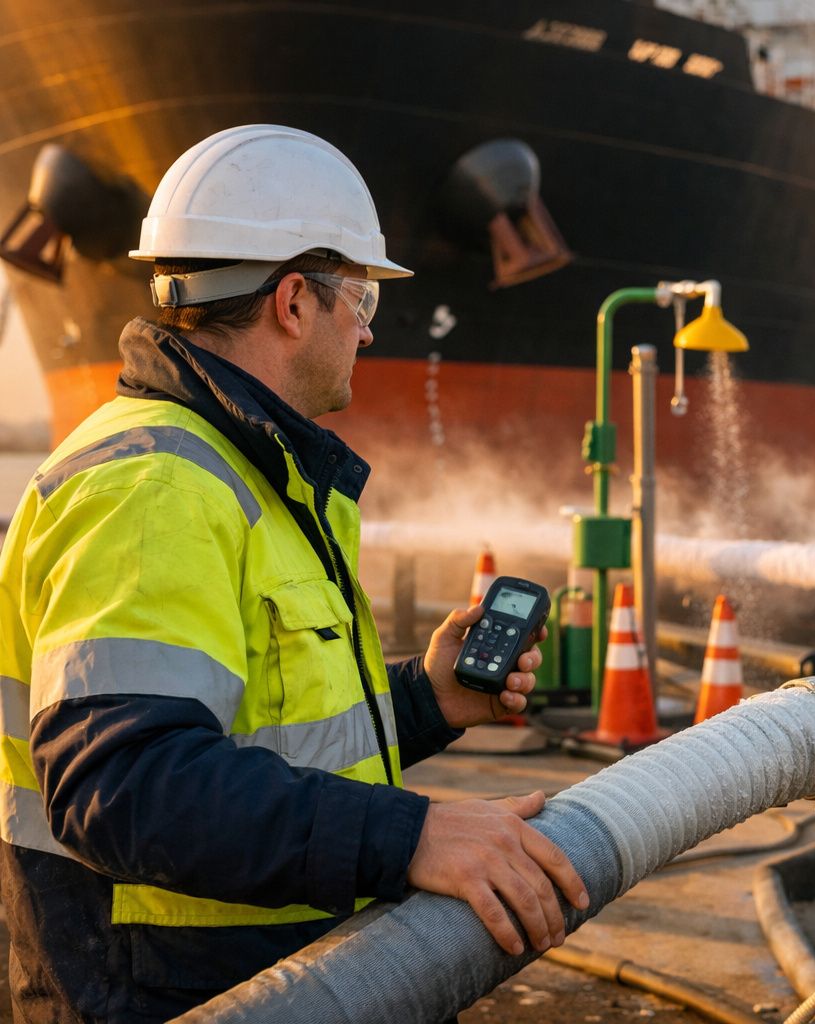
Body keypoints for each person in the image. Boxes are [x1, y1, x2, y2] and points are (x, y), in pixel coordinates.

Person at [0, 125, 588, 1022]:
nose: (365, 330)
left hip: (256, 978)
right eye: (360, 300)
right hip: (167, 989)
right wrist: (412, 833)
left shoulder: (243, 468)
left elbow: (255, 728)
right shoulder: (154, 485)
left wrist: (425, 700)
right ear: (291, 302)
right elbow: (124, 785)